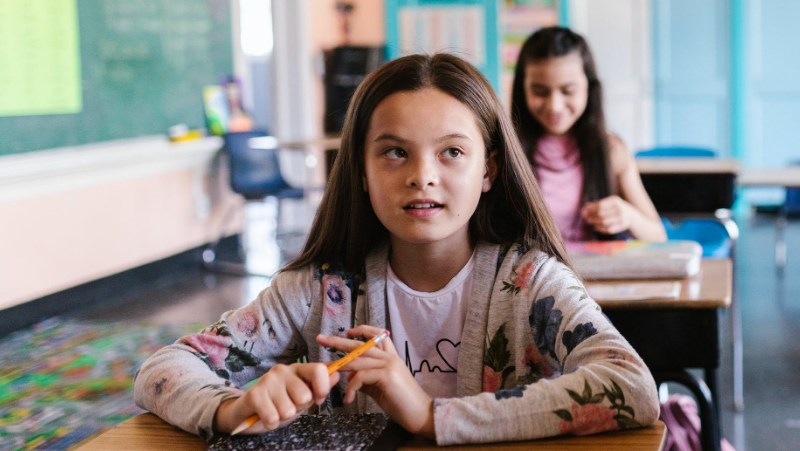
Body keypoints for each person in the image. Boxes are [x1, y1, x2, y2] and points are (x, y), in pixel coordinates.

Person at [133, 53, 660, 446]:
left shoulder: (532, 284)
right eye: (394, 153)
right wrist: (233, 408)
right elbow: (162, 370)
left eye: (452, 152)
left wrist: (430, 415)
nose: (422, 177)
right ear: (361, 171)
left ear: (488, 171)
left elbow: (632, 386)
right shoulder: (321, 289)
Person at [511, 27, 666, 242]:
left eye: (568, 91)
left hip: (596, 275)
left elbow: (658, 237)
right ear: (523, 89)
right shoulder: (505, 151)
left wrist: (628, 216)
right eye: (540, 92)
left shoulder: (612, 151)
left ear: (589, 88)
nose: (554, 106)